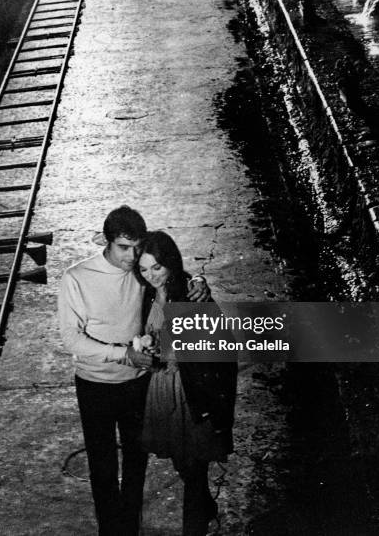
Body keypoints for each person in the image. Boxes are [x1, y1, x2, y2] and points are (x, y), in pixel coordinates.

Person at [58, 205, 209, 536]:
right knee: (102, 466)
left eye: (136, 248)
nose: (131, 257)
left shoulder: (140, 271)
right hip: (94, 384)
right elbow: (71, 338)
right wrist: (122, 353)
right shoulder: (77, 278)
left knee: (136, 462)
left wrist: (198, 282)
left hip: (138, 384)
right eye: (123, 248)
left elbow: (168, 272)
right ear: (107, 242)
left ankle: (128, 527)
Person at [137, 230, 237, 536]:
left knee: (194, 470)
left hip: (192, 393)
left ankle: (196, 523)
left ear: (170, 264)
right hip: (161, 390)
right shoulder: (147, 294)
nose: (151, 275)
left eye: (157, 267)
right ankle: (206, 504)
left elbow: (223, 351)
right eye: (143, 269)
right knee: (183, 464)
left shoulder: (192, 296)